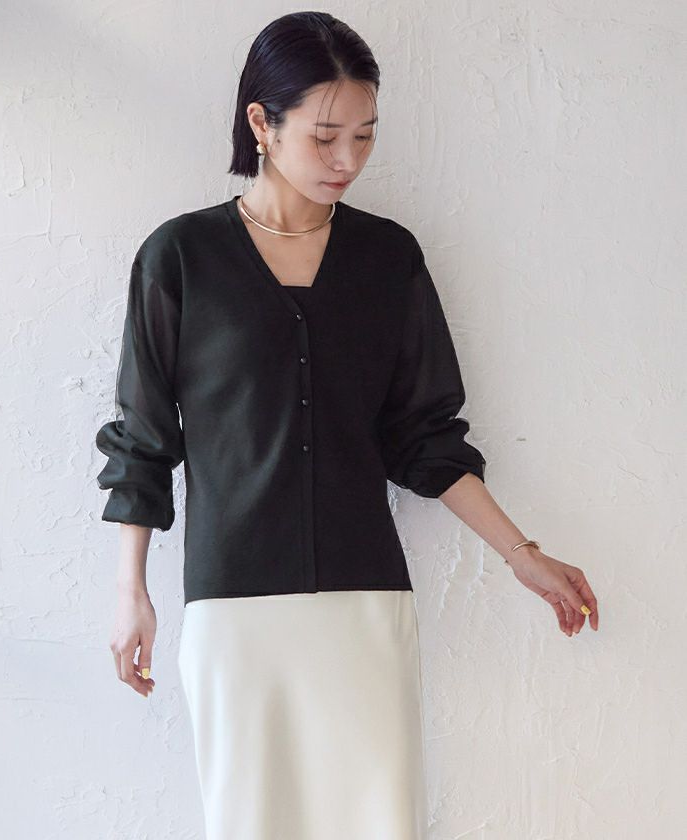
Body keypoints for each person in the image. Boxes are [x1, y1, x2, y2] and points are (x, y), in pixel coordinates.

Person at [95, 11, 599, 840]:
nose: (348, 161)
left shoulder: (388, 259)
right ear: (262, 123)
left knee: (380, 823)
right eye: (325, 137)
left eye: (364, 137)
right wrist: (131, 592)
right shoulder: (180, 258)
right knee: (252, 823)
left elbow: (425, 438)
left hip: (367, 602)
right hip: (235, 606)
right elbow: (144, 440)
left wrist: (522, 554)